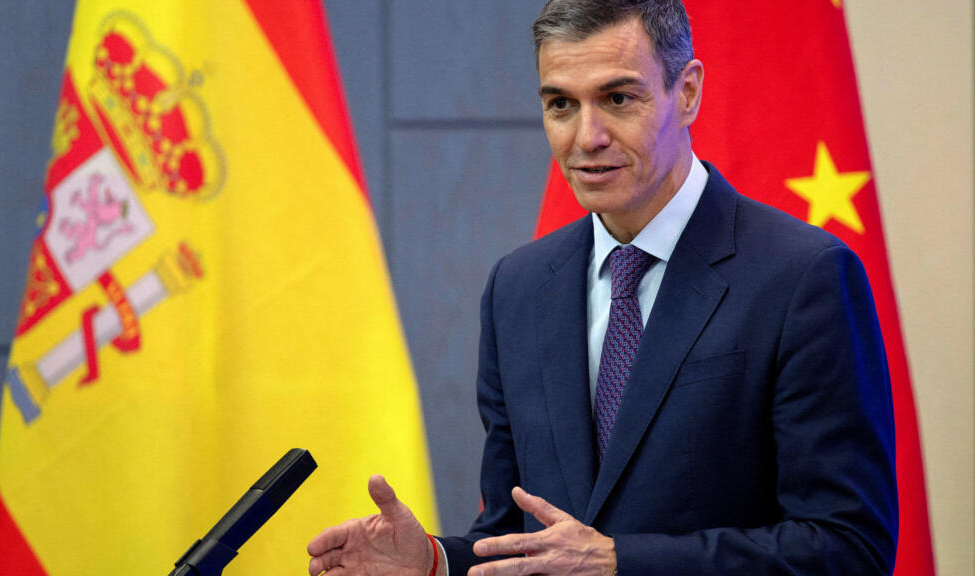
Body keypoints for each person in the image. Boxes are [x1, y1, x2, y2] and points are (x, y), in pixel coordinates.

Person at [307, 1, 898, 574]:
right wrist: (436, 562)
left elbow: (849, 547)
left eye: (617, 99)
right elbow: (521, 541)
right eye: (561, 104)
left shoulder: (804, 278)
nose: (586, 137)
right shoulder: (517, 289)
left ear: (687, 92)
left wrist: (620, 562)